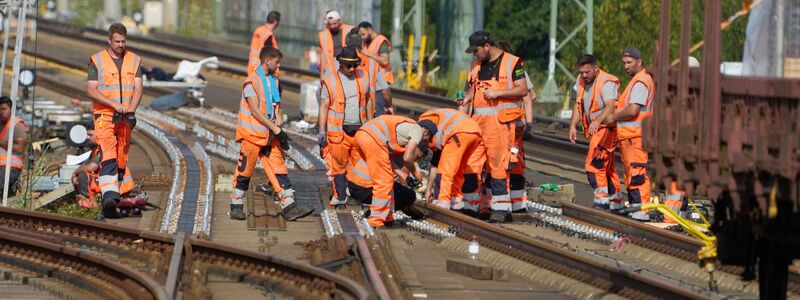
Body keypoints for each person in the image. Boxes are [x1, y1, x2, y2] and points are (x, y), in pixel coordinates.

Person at [231, 46, 315, 221]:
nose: (278, 65)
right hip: (252, 135)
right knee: (245, 171)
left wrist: (278, 119)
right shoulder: (251, 82)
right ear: (267, 60)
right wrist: (277, 129)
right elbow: (255, 110)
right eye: (277, 62)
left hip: (269, 136)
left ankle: (289, 206)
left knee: (279, 169)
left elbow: (276, 103)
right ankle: (236, 204)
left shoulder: (273, 81)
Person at [457, 31, 529, 223]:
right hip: (476, 126)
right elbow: (469, 91)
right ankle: (470, 207)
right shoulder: (475, 66)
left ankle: (501, 208)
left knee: (497, 167)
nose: (474, 54)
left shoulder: (512, 63)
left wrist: (498, 93)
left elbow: (522, 90)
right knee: (471, 165)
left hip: (500, 126)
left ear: (487, 46)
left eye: (477, 50)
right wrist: (463, 103)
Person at [86, 23, 143, 218]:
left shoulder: (134, 61)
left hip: (125, 117)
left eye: (123, 41)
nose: (120, 45)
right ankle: (109, 197)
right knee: (108, 153)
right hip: (104, 116)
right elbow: (91, 90)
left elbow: (138, 88)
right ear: (109, 41)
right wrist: (113, 104)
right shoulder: (96, 61)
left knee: (122, 156)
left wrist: (132, 110)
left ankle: (117, 197)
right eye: (117, 41)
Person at [318, 47, 374, 208]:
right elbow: (323, 106)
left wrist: (370, 124)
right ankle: (340, 195)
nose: (352, 69)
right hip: (339, 132)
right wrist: (322, 130)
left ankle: (357, 194)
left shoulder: (363, 77)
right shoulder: (330, 81)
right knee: (339, 165)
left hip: (360, 131)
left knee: (360, 166)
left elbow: (369, 100)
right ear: (341, 64)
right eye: (348, 66)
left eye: (355, 65)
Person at [604, 48, 655, 221]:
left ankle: (641, 212)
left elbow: (633, 110)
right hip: (631, 137)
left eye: (629, 62)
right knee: (632, 175)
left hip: (636, 137)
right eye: (624, 63)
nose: (626, 66)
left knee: (637, 174)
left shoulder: (640, 81)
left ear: (639, 62)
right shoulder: (637, 80)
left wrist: (613, 117)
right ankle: (637, 211)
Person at [568, 54, 623, 211]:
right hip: (597, 130)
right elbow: (579, 106)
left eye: (587, 72)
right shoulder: (581, 81)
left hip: (607, 129)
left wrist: (597, 120)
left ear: (595, 68)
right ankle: (616, 202)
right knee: (607, 168)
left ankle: (602, 202)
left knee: (594, 165)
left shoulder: (606, 82)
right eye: (582, 72)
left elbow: (610, 106)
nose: (584, 75)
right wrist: (572, 125)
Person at [354, 115, 428, 228]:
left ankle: (387, 217)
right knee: (384, 182)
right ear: (426, 132)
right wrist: (415, 172)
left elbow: (388, 160)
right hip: (372, 139)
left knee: (387, 179)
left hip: (361, 135)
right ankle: (376, 220)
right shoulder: (417, 130)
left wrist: (405, 176)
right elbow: (407, 158)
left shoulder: (397, 136)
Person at [418, 108, 485, 216]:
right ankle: (456, 207)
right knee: (457, 172)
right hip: (474, 133)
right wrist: (428, 190)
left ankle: (441, 207)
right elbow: (435, 165)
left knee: (444, 173)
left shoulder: (423, 122)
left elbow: (439, 169)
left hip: (459, 133)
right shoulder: (435, 134)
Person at [71, 123, 135, 210]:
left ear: (99, 135)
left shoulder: (103, 148)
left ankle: (89, 205)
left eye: (90, 135)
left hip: (116, 183)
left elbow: (92, 166)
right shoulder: (97, 148)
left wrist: (76, 172)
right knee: (81, 173)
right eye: (87, 134)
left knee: (83, 175)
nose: (87, 137)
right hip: (110, 181)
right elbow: (87, 164)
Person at [347, 157, 424, 220]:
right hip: (364, 190)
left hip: (353, 187)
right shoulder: (391, 156)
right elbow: (387, 186)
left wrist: (405, 177)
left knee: (402, 193)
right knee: (408, 195)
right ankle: (377, 216)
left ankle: (376, 213)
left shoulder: (381, 148)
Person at [357, 21, 394, 116]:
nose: (362, 37)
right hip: (371, 81)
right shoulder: (365, 42)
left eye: (363, 34)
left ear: (369, 30)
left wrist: (368, 54)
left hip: (381, 83)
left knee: (378, 111)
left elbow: (385, 60)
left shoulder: (381, 41)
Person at [0, 96, 27, 197]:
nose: (1, 112)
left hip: (11, 166)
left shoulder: (18, 125)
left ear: (11, 109)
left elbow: (19, 148)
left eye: (4, 109)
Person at [318, 10, 354, 77]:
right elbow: (323, 55)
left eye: (334, 24)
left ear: (339, 21)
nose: (332, 26)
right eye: (330, 24)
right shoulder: (323, 35)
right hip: (330, 68)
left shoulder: (350, 30)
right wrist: (322, 74)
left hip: (347, 66)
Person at [247, 11, 281, 76]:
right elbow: (270, 57)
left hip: (253, 69)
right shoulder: (268, 36)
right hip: (263, 72)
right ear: (276, 22)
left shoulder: (259, 30)